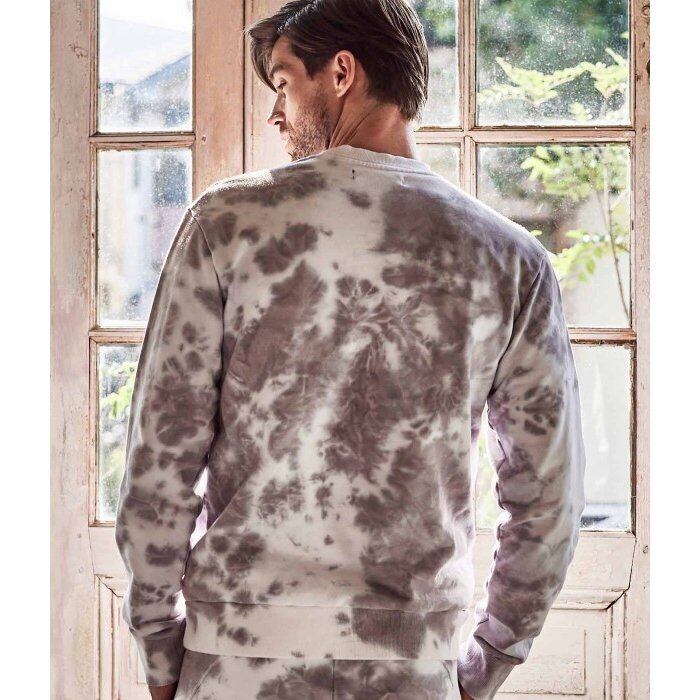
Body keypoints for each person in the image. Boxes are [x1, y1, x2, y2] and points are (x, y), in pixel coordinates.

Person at [114, 1, 586, 698]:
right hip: (411, 661)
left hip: (236, 660)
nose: (275, 115)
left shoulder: (226, 225)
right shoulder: (509, 258)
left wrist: (159, 648)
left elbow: (161, 455)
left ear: (341, 73)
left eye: (282, 83)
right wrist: (489, 658)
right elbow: (547, 496)